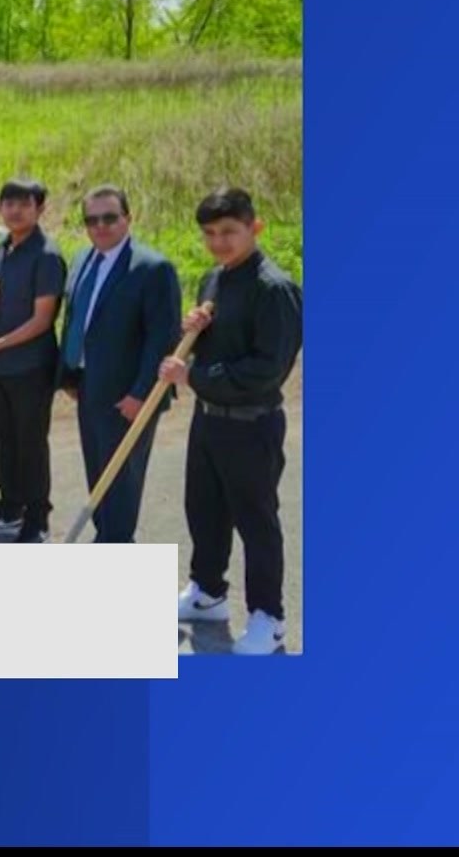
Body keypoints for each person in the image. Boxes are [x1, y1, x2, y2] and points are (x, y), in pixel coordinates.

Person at [161, 187, 302, 655]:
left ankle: (269, 617)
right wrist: (194, 332)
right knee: (204, 509)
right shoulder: (213, 280)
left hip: (251, 423)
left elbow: (268, 369)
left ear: (254, 227)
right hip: (208, 420)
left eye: (229, 232)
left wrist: (193, 376)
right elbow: (217, 346)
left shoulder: (274, 289)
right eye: (209, 233)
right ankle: (208, 594)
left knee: (255, 521)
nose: (218, 242)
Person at [56, 185, 183, 544]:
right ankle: (107, 538)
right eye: (91, 220)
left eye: (110, 218)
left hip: (128, 395)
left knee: (121, 480)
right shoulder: (82, 259)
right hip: (88, 386)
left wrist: (142, 394)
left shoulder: (152, 268)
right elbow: (76, 319)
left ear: (128, 218)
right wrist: (69, 374)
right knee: (98, 473)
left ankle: (117, 544)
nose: (100, 226)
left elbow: (162, 338)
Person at [0, 179, 67, 543]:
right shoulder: (0, 250)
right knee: (2, 440)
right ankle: (9, 509)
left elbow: (42, 321)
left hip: (30, 367)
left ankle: (36, 519)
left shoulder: (47, 256)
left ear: (40, 209)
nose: (15, 211)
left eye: (24, 204)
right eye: (8, 204)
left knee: (30, 444)